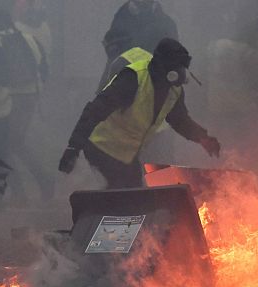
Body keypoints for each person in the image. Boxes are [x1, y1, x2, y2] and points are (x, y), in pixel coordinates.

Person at [58, 38, 220, 189]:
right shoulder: (133, 79)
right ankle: (94, 214)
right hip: (102, 148)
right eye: (178, 67)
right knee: (126, 197)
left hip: (127, 155)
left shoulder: (174, 89)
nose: (181, 72)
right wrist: (74, 147)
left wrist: (203, 138)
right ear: (165, 67)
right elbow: (94, 110)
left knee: (136, 197)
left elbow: (180, 120)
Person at [0, 8, 53, 205]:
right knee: (14, 142)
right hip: (29, 95)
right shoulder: (28, 38)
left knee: (4, 145)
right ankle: (37, 182)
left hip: (5, 98)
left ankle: (24, 189)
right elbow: (44, 68)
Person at [97, 27, 151, 94]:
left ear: (114, 47)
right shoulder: (147, 54)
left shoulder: (119, 63)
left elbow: (104, 94)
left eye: (107, 47)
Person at [110, 0, 177, 52]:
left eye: (145, 3)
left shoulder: (166, 23)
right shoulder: (121, 18)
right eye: (137, 3)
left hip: (155, 67)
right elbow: (112, 47)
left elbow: (173, 51)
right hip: (127, 66)